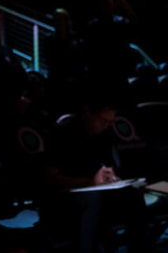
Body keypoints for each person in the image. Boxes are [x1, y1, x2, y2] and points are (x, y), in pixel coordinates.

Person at [40, 79, 148, 252]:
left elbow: (106, 165)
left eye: (110, 122)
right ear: (88, 113)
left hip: (95, 190)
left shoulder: (103, 135)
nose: (107, 126)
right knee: (92, 201)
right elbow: (49, 178)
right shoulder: (62, 133)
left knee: (132, 195)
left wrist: (112, 178)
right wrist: (90, 181)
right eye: (103, 121)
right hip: (65, 195)